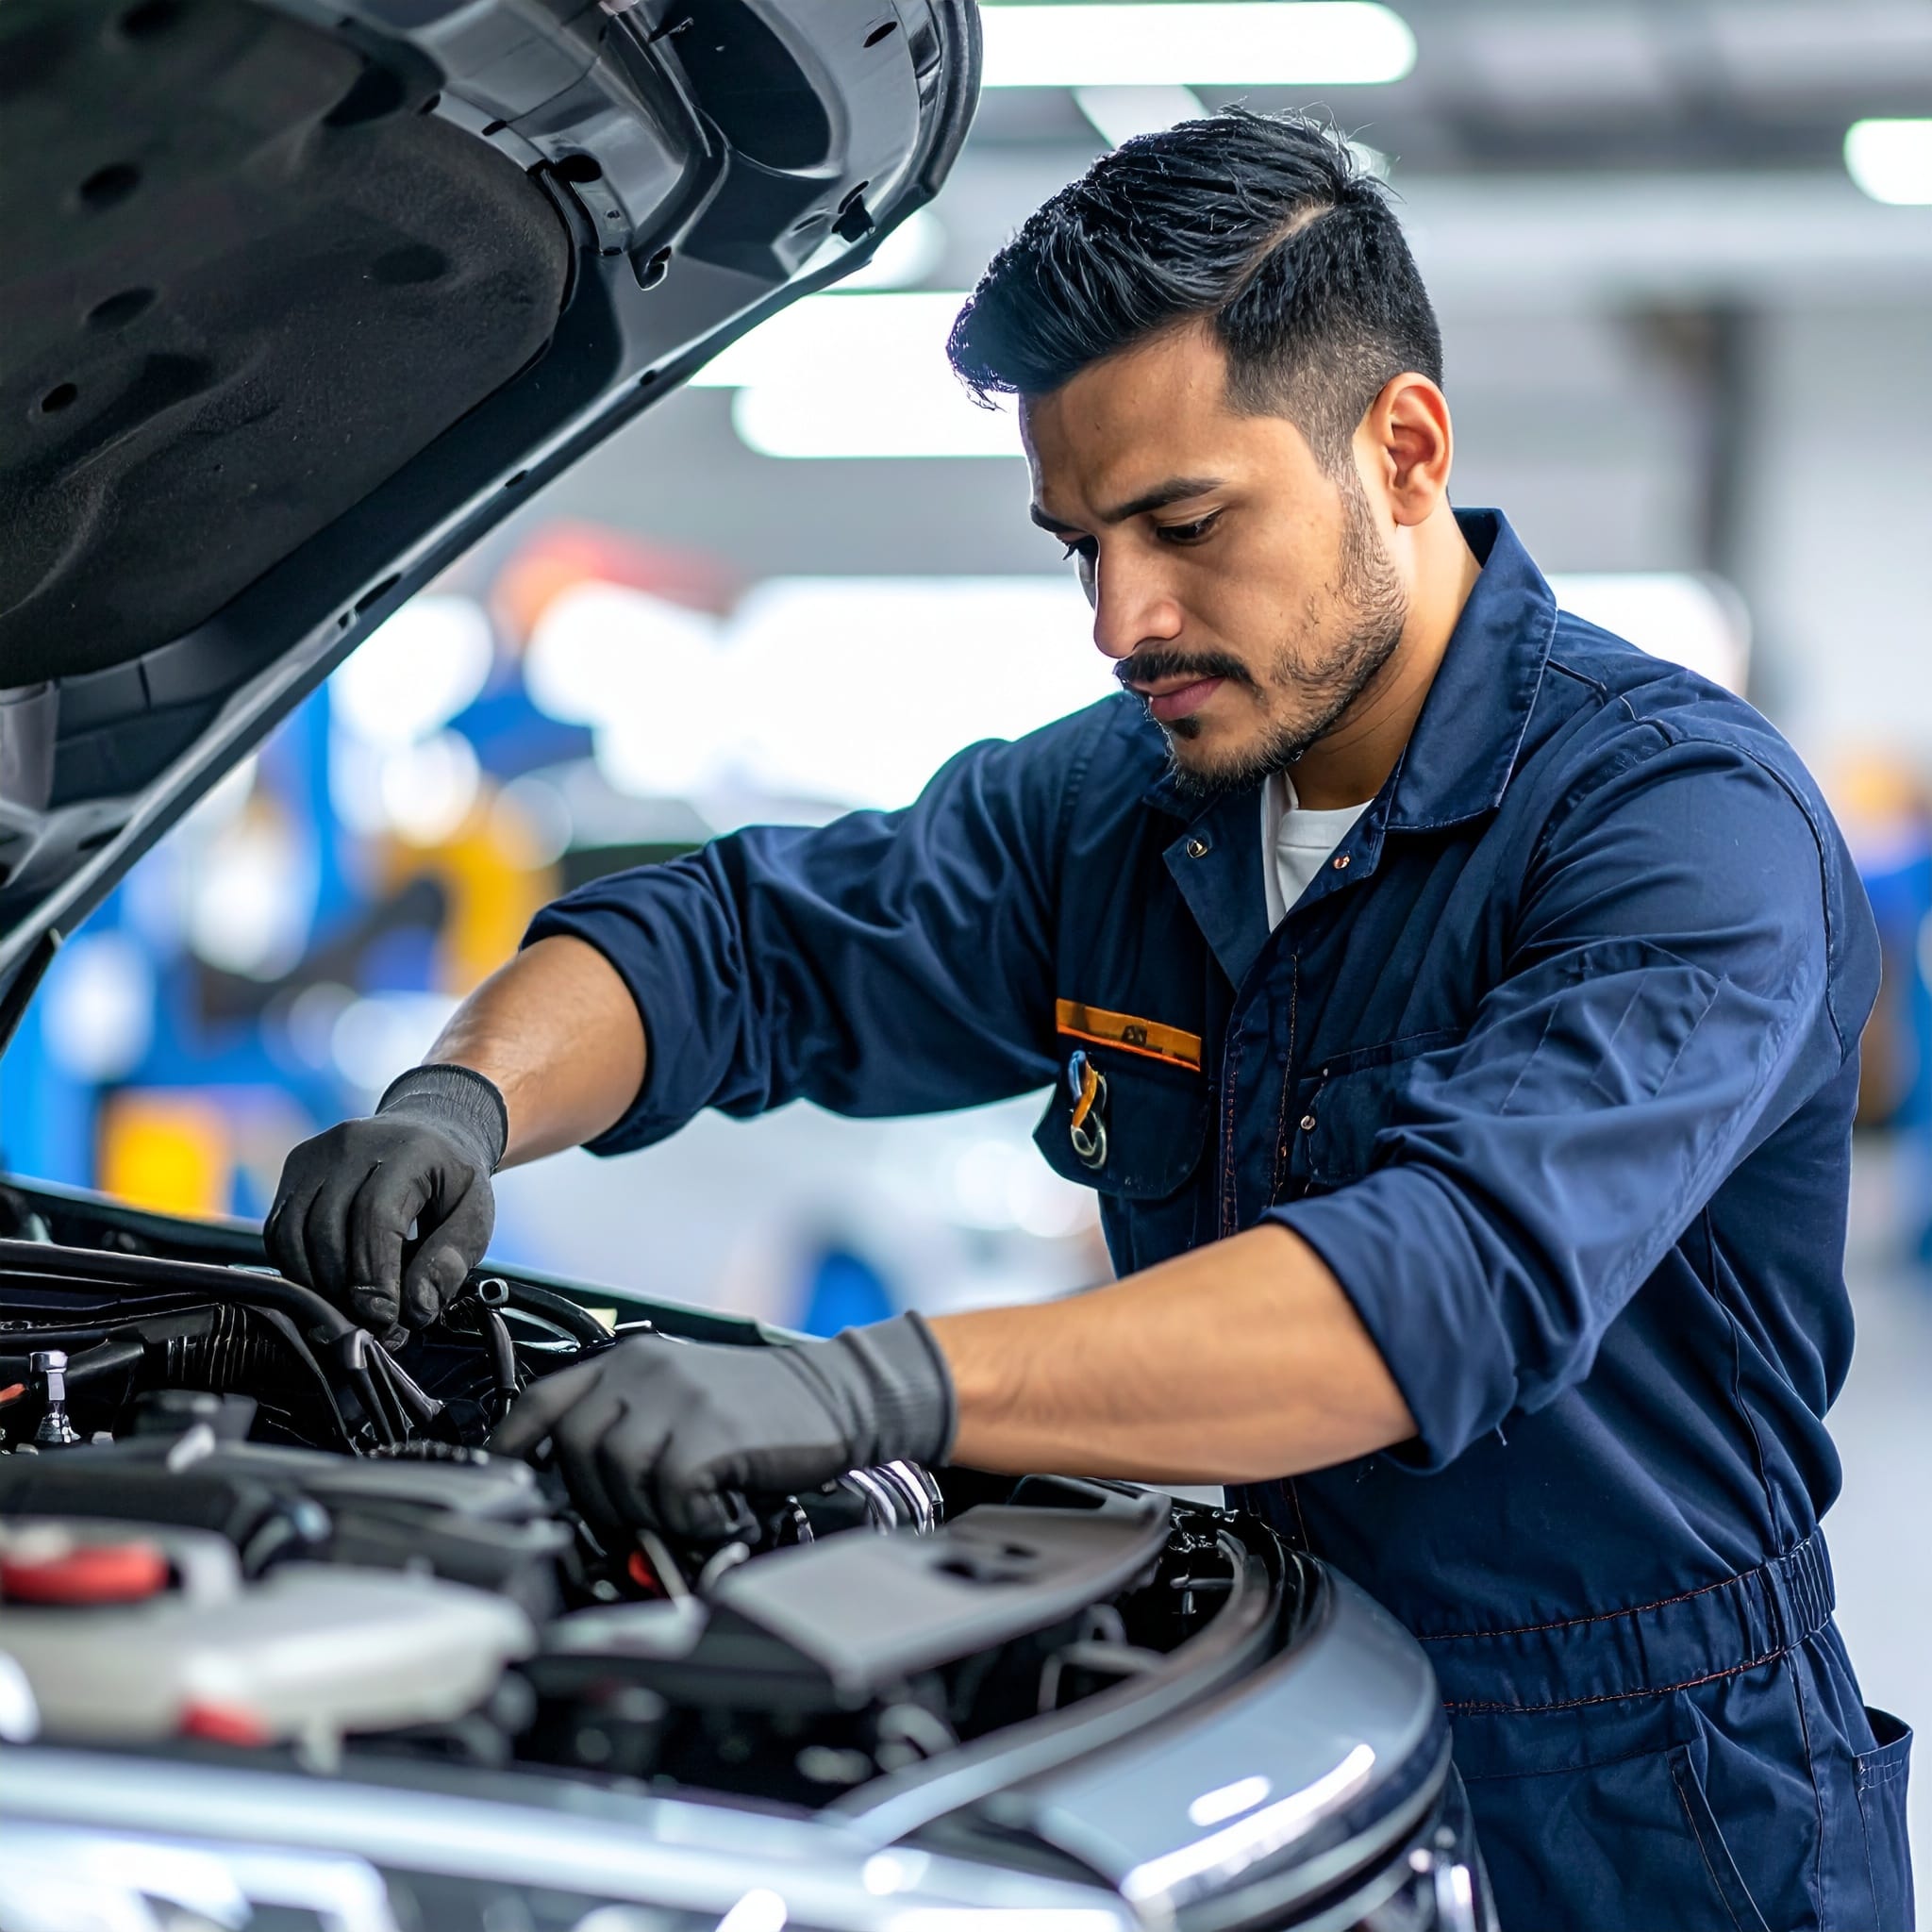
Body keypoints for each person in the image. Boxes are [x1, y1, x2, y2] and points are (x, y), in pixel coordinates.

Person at [268, 111, 1910, 1930]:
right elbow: (740, 944)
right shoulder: (1123, 804)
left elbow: (1433, 1290)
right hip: (1247, 1699)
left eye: (1187, 524)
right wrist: (460, 1101)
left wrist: (858, 1387)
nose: (1125, 618)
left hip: (1639, 1798)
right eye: (1080, 545)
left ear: (1406, 450)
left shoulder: (1678, 823)